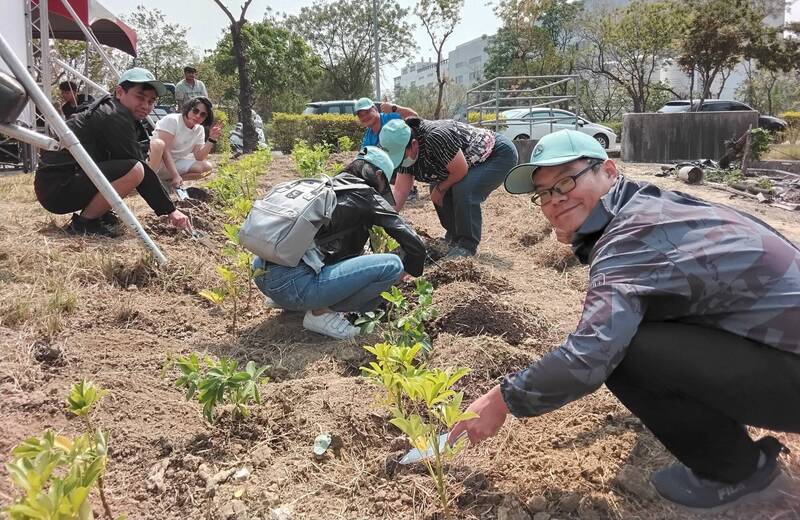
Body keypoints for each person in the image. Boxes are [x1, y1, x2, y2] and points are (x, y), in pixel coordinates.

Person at [449, 129, 800, 511]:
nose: (556, 199)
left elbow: (590, 354)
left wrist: (501, 400)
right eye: (545, 193)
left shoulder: (629, 237)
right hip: (779, 351)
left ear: (610, 171)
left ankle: (739, 475)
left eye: (566, 180)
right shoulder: (654, 206)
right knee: (643, 331)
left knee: (627, 355)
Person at [253, 146, 427, 340]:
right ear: (378, 175)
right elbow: (415, 244)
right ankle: (321, 313)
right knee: (392, 265)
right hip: (293, 288)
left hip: (262, 275)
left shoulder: (325, 185)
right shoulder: (365, 195)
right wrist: (409, 269)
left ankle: (289, 300)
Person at [34, 68, 191, 237]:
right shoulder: (115, 115)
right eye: (140, 97)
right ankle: (86, 223)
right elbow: (139, 170)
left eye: (151, 101)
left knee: (129, 168)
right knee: (135, 170)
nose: (146, 106)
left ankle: (99, 212)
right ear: (120, 91)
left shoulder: (110, 108)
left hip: (55, 186)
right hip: (58, 190)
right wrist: (171, 210)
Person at [379, 117, 518, 258]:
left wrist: (440, 190)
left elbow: (460, 170)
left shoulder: (435, 137)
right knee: (437, 189)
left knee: (464, 190)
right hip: (467, 161)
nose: (400, 161)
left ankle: (466, 246)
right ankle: (453, 237)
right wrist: (382, 218)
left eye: (401, 156)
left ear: (414, 144)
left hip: (496, 154)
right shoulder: (406, 156)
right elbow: (400, 191)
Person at [148, 97, 221, 188]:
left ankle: (169, 183)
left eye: (202, 114)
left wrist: (211, 139)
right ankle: (149, 182)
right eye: (195, 111)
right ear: (188, 108)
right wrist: (175, 174)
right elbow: (165, 152)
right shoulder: (172, 120)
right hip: (155, 161)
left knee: (207, 167)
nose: (198, 116)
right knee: (158, 144)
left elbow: (199, 157)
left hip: (175, 163)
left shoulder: (199, 129)